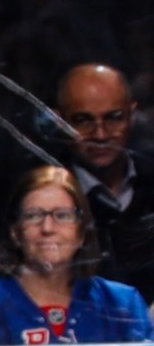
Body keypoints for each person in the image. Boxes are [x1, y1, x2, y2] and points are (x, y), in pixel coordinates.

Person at [0, 164, 154, 343]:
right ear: (16, 232)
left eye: (62, 216)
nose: (47, 228)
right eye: (33, 216)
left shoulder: (121, 305)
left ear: (82, 232)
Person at [54, 61, 154, 284]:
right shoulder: (40, 197)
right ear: (59, 122)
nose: (100, 135)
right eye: (83, 120)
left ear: (132, 116)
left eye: (113, 117)